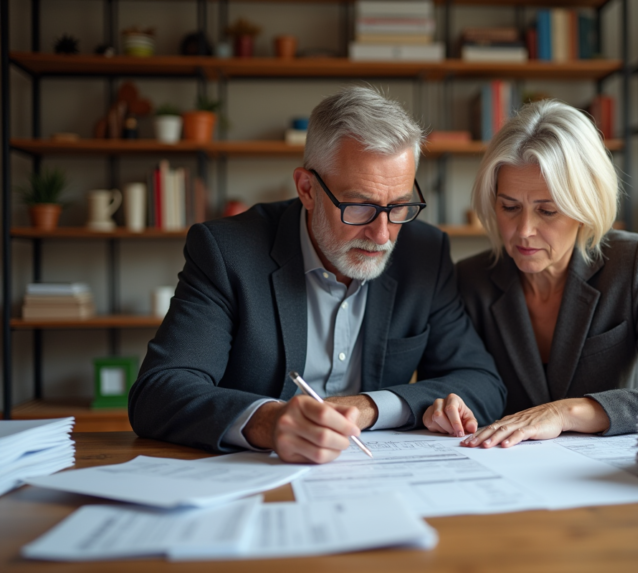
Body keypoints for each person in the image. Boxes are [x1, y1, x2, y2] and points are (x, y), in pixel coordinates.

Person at [129, 86, 506, 463]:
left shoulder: (424, 253)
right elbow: (159, 392)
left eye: (399, 206)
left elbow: (482, 382)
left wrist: (369, 407)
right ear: (307, 189)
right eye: (360, 207)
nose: (382, 235)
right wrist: (269, 422)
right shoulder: (227, 252)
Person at [422, 99, 638, 447]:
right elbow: (449, 387)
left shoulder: (635, 263)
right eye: (509, 207)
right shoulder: (469, 280)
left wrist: (567, 412)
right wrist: (444, 407)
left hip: (608, 474)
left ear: (586, 206)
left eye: (547, 211)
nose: (523, 230)